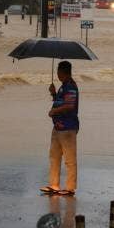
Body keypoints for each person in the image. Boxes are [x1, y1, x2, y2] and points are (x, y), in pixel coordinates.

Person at [41, 61, 79, 196]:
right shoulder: (63, 87)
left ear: (63, 72)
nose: (57, 74)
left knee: (69, 159)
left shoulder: (71, 86)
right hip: (57, 127)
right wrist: (53, 94)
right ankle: (54, 184)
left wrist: (54, 111)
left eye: (58, 71)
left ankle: (70, 187)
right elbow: (60, 101)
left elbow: (69, 106)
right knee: (54, 156)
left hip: (68, 127)